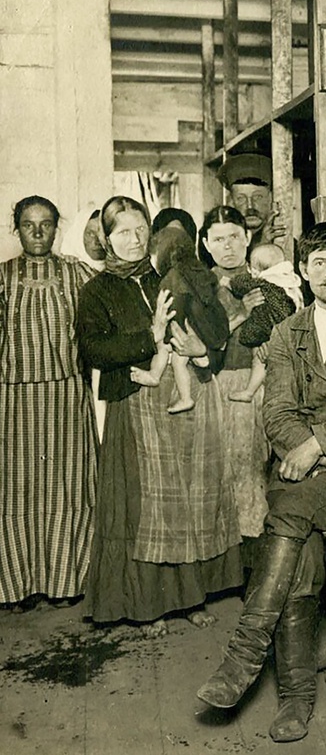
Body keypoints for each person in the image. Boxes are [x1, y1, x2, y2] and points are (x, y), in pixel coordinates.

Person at [197, 222, 326, 743]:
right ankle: (295, 697)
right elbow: (277, 413)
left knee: (288, 515)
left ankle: (244, 657)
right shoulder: (286, 332)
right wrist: (317, 452)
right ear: (303, 271)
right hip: (301, 465)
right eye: (319, 263)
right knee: (302, 551)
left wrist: (319, 443)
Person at [75, 195, 241, 633]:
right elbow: (93, 351)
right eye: (122, 232)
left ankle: (191, 598)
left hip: (186, 400)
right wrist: (150, 338)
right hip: (134, 404)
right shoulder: (96, 291)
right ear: (105, 238)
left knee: (187, 502)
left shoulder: (171, 276)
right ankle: (147, 605)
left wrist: (202, 350)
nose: (134, 240)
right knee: (143, 509)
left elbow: (213, 330)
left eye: (140, 230)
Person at [0, 196, 98, 611]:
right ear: (16, 229)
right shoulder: (3, 277)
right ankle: (16, 588)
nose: (38, 232)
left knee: (69, 490)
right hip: (13, 401)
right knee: (15, 493)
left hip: (68, 398)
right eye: (28, 224)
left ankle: (65, 583)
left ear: (58, 228)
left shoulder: (77, 273)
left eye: (46, 224)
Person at [200, 205, 273, 539]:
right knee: (229, 471)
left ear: (247, 237)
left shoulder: (266, 276)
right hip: (221, 386)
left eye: (233, 236)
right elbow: (200, 342)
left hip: (266, 383)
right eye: (218, 239)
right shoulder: (202, 286)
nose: (227, 246)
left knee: (262, 468)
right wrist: (241, 314)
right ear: (206, 244)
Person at [129, 226, 230, 414]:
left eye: (152, 256)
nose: (151, 262)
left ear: (163, 254)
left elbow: (174, 311)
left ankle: (162, 381)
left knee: (171, 355)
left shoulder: (172, 277)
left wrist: (166, 338)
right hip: (208, 330)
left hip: (187, 330)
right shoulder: (197, 270)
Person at [227, 243, 302, 404]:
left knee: (258, 358)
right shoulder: (289, 279)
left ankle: (249, 391)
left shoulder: (265, 282)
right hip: (289, 330)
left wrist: (228, 282)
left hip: (269, 330)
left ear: (254, 270)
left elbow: (240, 285)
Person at [216, 153, 289, 251]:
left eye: (258, 197)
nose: (250, 206)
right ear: (232, 202)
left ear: (271, 198)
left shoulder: (286, 242)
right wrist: (263, 244)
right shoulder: (222, 244)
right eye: (241, 198)